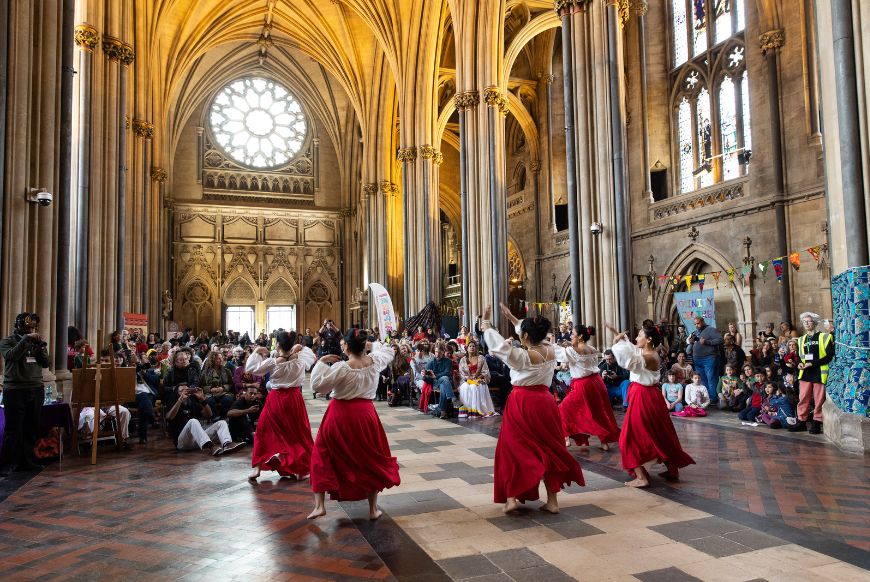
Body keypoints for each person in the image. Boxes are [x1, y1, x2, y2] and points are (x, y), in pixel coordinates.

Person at [482, 304, 584, 514]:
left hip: (523, 403)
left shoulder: (522, 357)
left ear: (526, 335)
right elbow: (528, 332)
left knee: (512, 448)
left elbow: (499, 347)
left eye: (522, 334)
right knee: (550, 448)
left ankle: (511, 498)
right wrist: (512, 318)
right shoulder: (550, 349)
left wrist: (486, 325)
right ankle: (553, 501)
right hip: (546, 403)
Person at [307, 329, 401, 520]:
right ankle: (373, 509)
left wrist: (322, 363)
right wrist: (371, 345)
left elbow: (318, 386)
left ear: (347, 346)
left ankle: (319, 506)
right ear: (363, 345)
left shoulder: (342, 367)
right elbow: (389, 351)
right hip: (366, 415)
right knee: (369, 459)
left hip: (339, 415)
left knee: (322, 454)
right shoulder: (375, 361)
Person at [607, 323, 695, 488]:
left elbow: (627, 360)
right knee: (661, 434)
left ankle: (642, 477)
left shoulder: (649, 357)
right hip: (649, 397)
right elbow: (633, 348)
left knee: (629, 437)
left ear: (648, 339)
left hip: (643, 398)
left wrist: (616, 344)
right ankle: (672, 469)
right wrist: (621, 339)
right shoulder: (647, 352)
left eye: (639, 335)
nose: (635, 338)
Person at [245, 331, 317, 481]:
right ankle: (299, 468)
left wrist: (257, 351)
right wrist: (300, 348)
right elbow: (312, 356)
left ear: (277, 345)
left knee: (263, 430)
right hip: (294, 399)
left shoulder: (273, 362)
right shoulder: (301, 359)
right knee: (297, 434)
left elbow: (251, 368)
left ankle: (258, 467)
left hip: (275, 400)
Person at [555, 324, 619, 451]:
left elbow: (558, 353)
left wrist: (548, 343)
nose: (571, 336)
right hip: (596, 382)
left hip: (582, 385)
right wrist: (570, 343)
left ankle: (566, 437)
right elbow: (578, 352)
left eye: (573, 334)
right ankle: (604, 441)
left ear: (580, 336)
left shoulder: (573, 351)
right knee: (598, 412)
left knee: (563, 409)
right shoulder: (592, 348)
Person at [0, 313, 50, 476]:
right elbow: (12, 355)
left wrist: (40, 348)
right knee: (13, 428)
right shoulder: (7, 341)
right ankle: (9, 463)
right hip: (15, 389)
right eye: (27, 327)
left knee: (31, 426)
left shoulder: (35, 342)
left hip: (35, 387)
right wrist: (25, 340)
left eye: (33, 327)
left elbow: (46, 363)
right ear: (18, 325)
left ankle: (28, 461)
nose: (31, 329)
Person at [164, 383, 244, 455]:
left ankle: (227, 444)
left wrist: (202, 399)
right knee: (193, 421)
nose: (186, 392)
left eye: (188, 390)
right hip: (182, 443)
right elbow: (169, 417)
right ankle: (211, 446)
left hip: (197, 441)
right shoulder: (174, 401)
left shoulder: (192, 402)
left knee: (221, 423)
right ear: (177, 393)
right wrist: (180, 400)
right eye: (182, 391)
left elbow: (209, 415)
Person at [790, 312, 835, 434]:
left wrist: (813, 363)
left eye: (808, 321)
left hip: (819, 372)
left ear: (814, 323)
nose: (806, 323)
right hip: (805, 373)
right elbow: (799, 356)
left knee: (819, 399)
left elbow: (829, 355)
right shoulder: (800, 339)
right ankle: (801, 421)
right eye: (804, 321)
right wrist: (799, 363)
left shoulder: (824, 337)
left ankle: (817, 422)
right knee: (803, 398)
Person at [686, 316, 723, 405]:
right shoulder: (695, 332)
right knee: (702, 380)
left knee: (711, 379)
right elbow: (688, 348)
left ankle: (713, 399)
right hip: (697, 359)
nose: (696, 325)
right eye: (695, 324)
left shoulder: (711, 329)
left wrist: (707, 342)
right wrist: (690, 342)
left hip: (709, 358)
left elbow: (720, 340)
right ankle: (705, 399)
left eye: (698, 323)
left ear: (703, 321)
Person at [457, 341, 495, 417]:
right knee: (465, 387)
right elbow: (461, 373)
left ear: (476, 348)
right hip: (467, 379)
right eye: (470, 346)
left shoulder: (481, 358)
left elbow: (486, 371)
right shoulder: (463, 359)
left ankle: (476, 411)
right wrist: (469, 378)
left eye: (473, 346)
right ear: (467, 348)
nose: (472, 348)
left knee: (474, 387)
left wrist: (478, 378)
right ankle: (465, 411)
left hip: (479, 379)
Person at [425, 341, 456, 419]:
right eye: (435, 352)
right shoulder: (430, 362)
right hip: (435, 383)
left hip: (447, 382)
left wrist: (435, 376)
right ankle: (452, 398)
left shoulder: (448, 361)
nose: (437, 354)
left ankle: (443, 412)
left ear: (443, 352)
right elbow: (426, 378)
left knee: (444, 384)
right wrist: (425, 375)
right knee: (444, 378)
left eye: (439, 352)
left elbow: (448, 373)